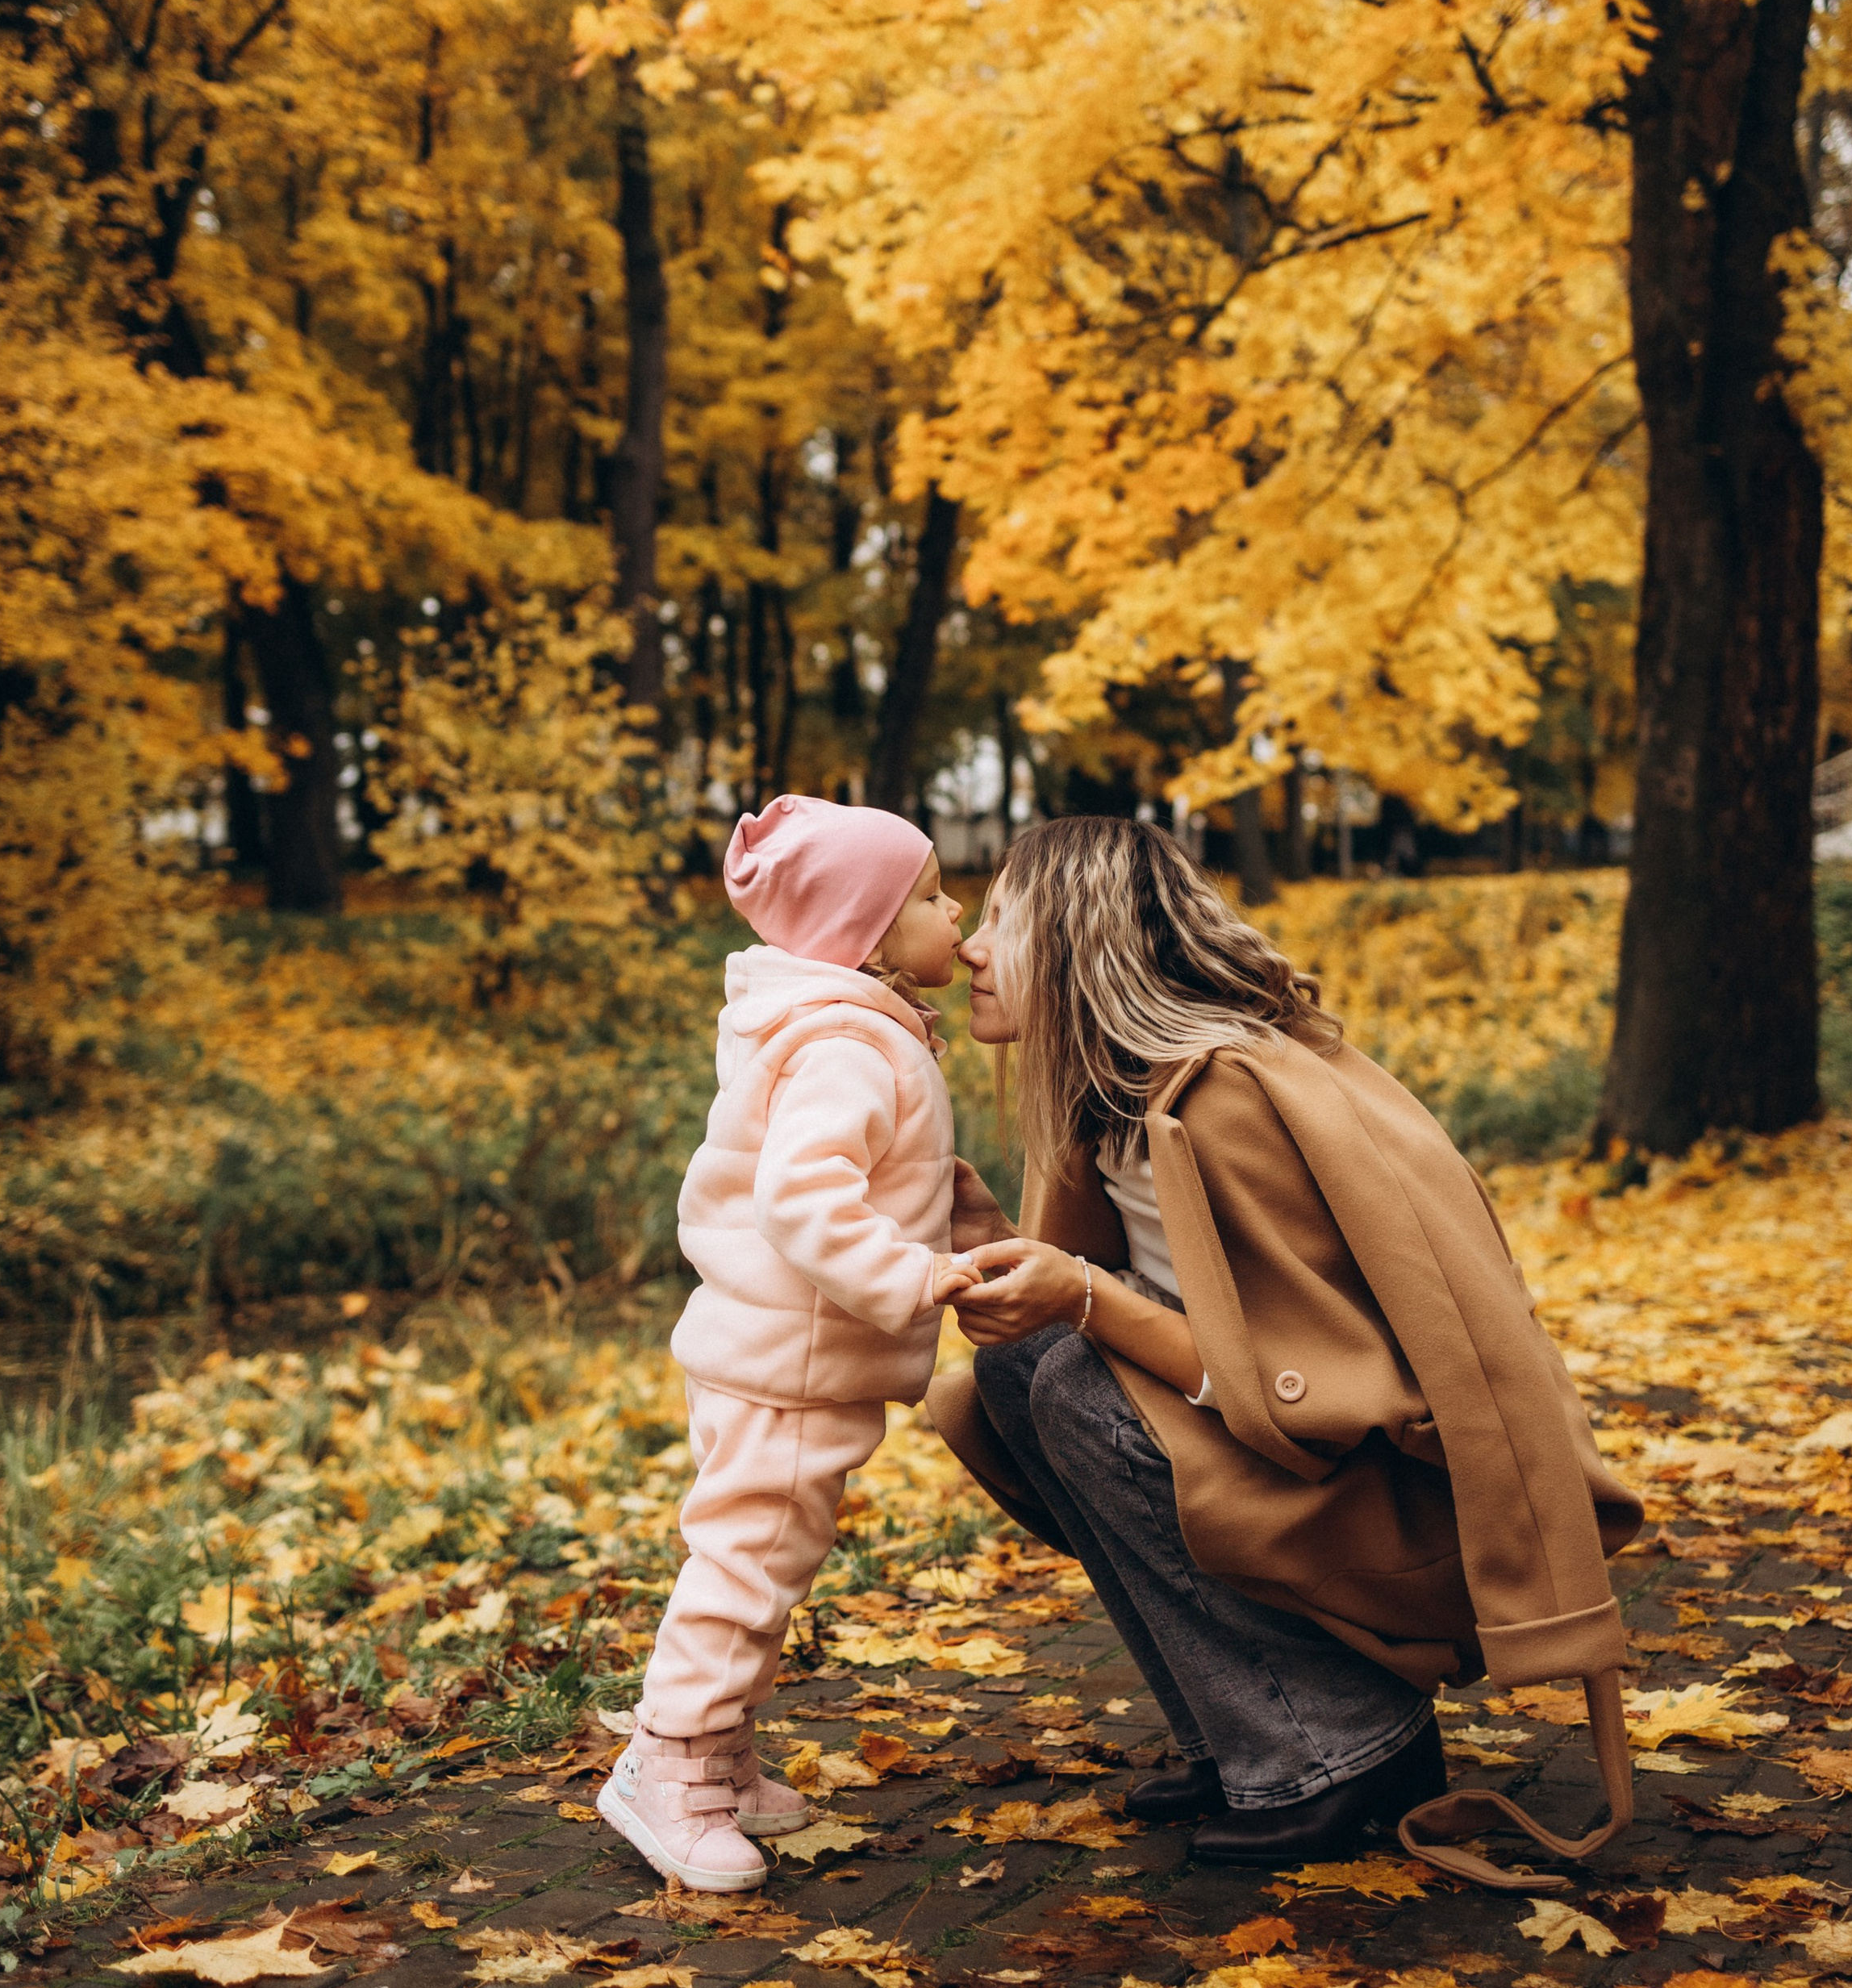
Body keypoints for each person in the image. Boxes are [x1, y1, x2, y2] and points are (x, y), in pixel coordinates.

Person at [932, 817, 1641, 1880]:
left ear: (1081, 939)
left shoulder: (1223, 1099)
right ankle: (1241, 1732)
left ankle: (1340, 1743)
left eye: (1001, 918)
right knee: (1021, 1371)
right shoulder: (1115, 1099)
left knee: (1074, 1382)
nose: (971, 946)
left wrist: (1079, 1293)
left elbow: (1300, 1394)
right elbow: (1130, 1303)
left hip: (1388, 1489)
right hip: (1287, 1465)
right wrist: (1002, 1249)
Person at [599, 795, 991, 1892]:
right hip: (791, 1359)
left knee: (773, 1558)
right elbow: (804, 1199)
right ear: (864, 934)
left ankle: (719, 1755)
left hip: (792, 1354)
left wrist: (957, 1216)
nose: (953, 907)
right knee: (745, 1563)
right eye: (928, 894)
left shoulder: (855, 1027)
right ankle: (666, 1766)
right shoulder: (844, 1045)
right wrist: (913, 1275)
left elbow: (885, 1176)